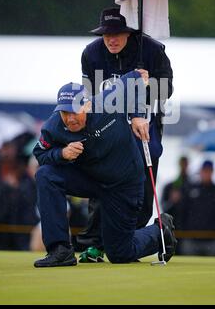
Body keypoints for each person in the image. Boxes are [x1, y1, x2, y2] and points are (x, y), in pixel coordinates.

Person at [32, 70, 177, 267]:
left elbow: (136, 79)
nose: (70, 118)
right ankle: (60, 250)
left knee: (119, 253)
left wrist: (137, 115)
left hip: (123, 183)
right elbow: (40, 153)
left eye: (75, 111)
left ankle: (160, 232)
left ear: (88, 104)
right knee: (45, 175)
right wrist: (61, 154)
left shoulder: (106, 101)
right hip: (90, 179)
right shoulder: (53, 127)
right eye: (65, 112)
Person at [77, 7, 173, 262]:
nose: (112, 39)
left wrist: (147, 84)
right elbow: (91, 98)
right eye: (106, 34)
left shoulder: (151, 50)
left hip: (146, 126)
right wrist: (125, 88)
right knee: (102, 180)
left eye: (118, 32)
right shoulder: (91, 54)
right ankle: (94, 243)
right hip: (109, 127)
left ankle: (137, 237)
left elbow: (167, 90)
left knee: (141, 184)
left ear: (130, 32)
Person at [179, 160, 215, 257]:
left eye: (209, 171)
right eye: (204, 171)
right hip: (191, 239)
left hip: (214, 240)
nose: (206, 174)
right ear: (200, 171)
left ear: (212, 172)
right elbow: (182, 211)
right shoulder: (190, 189)